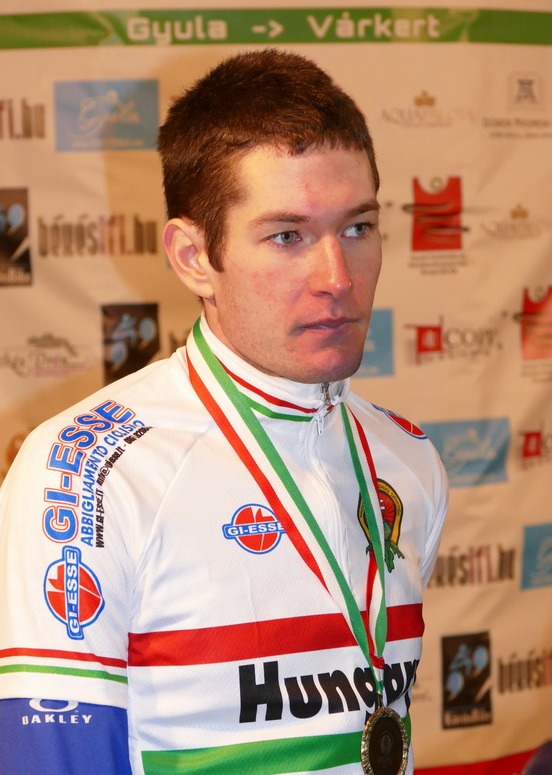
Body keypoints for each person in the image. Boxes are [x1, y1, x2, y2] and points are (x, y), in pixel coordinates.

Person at [0, 48, 447, 774]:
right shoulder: (89, 474)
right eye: (287, 236)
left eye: (358, 228)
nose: (338, 277)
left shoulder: (408, 460)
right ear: (193, 257)